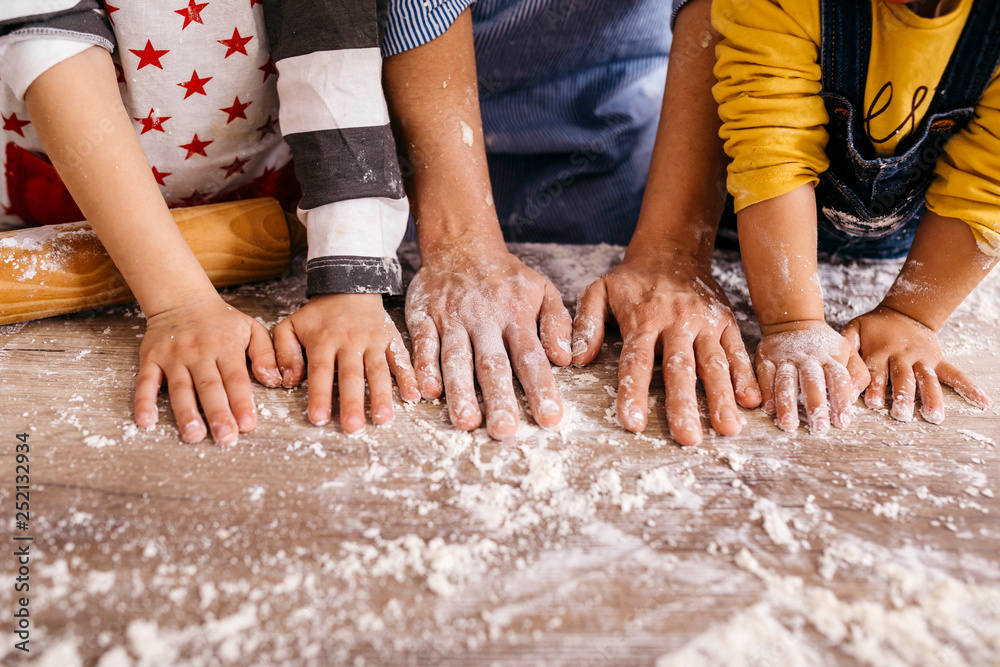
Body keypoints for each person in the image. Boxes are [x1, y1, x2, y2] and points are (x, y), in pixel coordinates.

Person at [2, 0, 419, 444]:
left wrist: (349, 276)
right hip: (81, 190)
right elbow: (50, 45)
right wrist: (179, 301)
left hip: (255, 195)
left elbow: (331, 45)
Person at [383, 0, 761, 445]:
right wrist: (459, 244)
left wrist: (672, 248)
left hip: (625, 135)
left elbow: (725, 9)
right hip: (424, 134)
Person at [712, 0, 999, 434]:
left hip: (904, 243)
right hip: (745, 228)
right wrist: (794, 322)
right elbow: (772, 151)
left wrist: (911, 314)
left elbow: (983, 185)